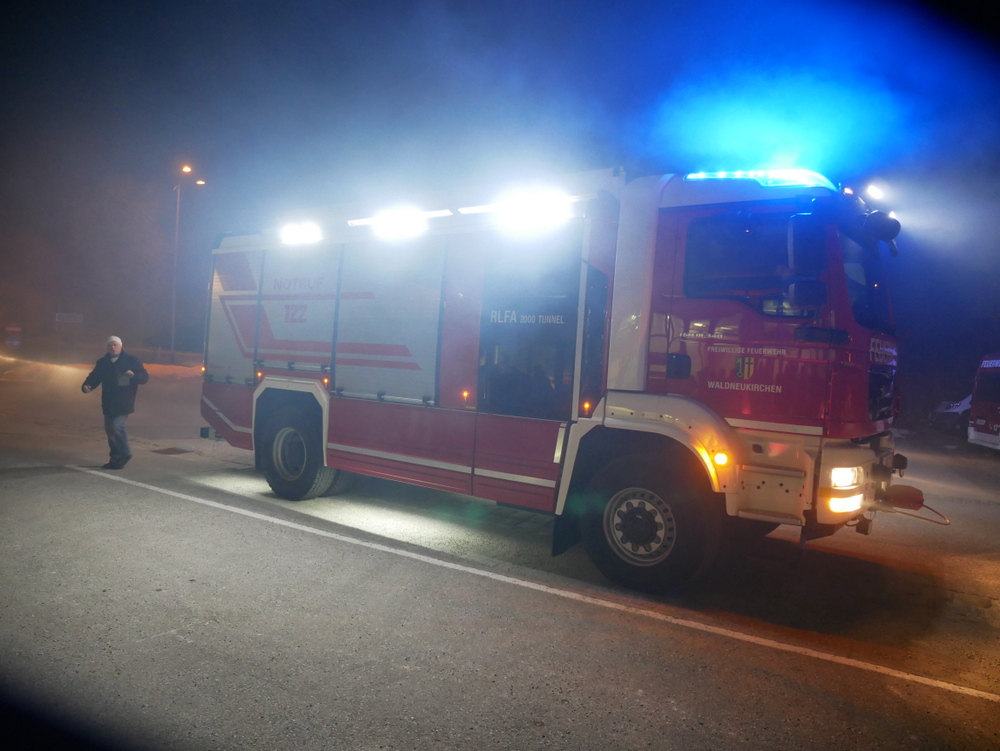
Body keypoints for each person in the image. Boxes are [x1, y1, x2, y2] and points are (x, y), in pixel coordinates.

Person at [82, 335, 149, 469]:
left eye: (115, 344)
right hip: (108, 401)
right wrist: (87, 385)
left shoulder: (132, 361)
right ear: (107, 347)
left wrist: (133, 375)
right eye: (110, 345)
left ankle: (124, 453)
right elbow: (95, 377)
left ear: (120, 346)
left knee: (116, 426)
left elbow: (144, 377)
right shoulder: (103, 362)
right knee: (110, 430)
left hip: (124, 400)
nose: (113, 347)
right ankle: (115, 459)